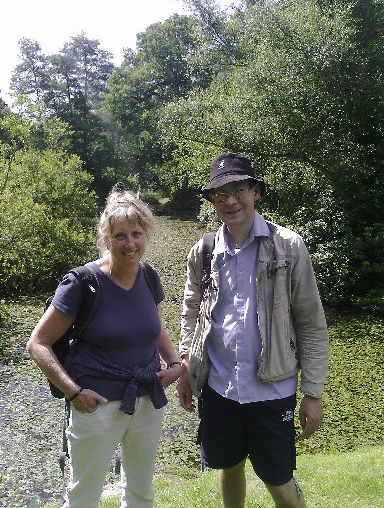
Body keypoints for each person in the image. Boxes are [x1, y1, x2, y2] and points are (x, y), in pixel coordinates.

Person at [176, 153, 329, 508]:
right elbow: (191, 313)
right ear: (212, 201)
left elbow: (311, 322)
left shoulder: (288, 247)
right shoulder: (203, 251)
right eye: (221, 194)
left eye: (239, 189)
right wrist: (187, 368)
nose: (231, 201)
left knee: (278, 480)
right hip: (219, 389)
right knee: (228, 468)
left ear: (256, 192)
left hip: (272, 390)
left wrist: (313, 392)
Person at [27, 187, 181, 508]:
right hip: (97, 407)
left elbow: (155, 329)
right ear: (106, 237)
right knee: (83, 498)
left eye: (136, 234)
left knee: (140, 493)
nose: (130, 244)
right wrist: (73, 392)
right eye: (120, 235)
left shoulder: (149, 276)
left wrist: (175, 363)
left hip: (147, 402)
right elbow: (38, 344)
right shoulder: (82, 283)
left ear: (146, 234)